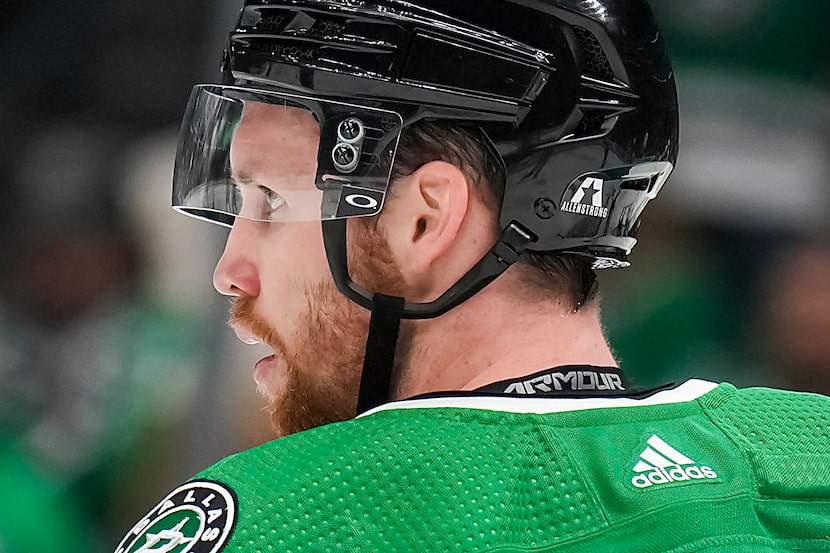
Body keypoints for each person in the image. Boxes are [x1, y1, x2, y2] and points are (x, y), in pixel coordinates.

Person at [115, 1, 830, 551]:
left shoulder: (280, 520)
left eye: (270, 200)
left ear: (424, 221)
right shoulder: (808, 460)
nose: (229, 270)